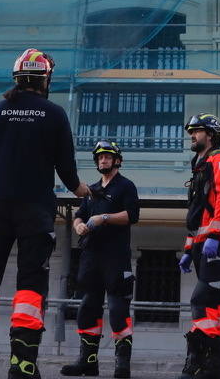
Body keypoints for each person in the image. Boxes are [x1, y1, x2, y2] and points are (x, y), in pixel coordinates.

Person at [0, 49, 96, 379]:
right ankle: (22, 367)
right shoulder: (55, 114)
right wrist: (81, 189)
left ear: (17, 77)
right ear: (45, 79)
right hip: (35, 210)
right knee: (31, 286)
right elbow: (67, 169)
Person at [61, 140, 141, 379]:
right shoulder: (91, 190)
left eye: (107, 157)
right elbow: (78, 216)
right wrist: (78, 226)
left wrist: (104, 217)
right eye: (99, 157)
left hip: (115, 258)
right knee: (87, 308)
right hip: (90, 258)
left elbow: (132, 215)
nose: (102, 160)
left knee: (117, 310)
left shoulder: (126, 186)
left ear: (117, 160)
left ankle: (122, 365)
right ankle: (88, 361)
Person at [177, 113, 220, 379]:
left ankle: (199, 362)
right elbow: (197, 212)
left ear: (211, 135)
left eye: (197, 131)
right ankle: (216, 367)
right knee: (215, 304)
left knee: (200, 299)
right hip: (203, 245)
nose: (192, 135)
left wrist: (214, 236)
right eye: (191, 131)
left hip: (217, 244)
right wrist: (189, 248)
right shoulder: (200, 167)